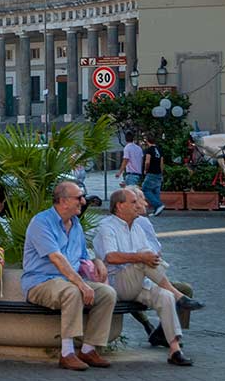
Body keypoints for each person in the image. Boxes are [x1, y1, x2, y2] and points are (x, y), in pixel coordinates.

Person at [94, 189, 201, 367]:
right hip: (115, 283)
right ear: (119, 206)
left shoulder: (137, 227)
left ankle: (175, 350)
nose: (139, 206)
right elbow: (111, 257)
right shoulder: (107, 226)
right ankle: (179, 295)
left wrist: (149, 258)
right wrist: (142, 258)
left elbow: (150, 254)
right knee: (142, 258)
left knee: (165, 296)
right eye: (134, 202)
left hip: (138, 282)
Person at [21, 180, 117, 371]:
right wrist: (82, 284)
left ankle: (88, 349)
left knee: (107, 294)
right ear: (64, 201)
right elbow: (57, 258)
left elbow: (82, 256)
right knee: (72, 292)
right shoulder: (41, 222)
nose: (83, 201)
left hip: (68, 281)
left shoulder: (76, 225)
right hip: (41, 282)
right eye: (79, 197)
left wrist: (97, 262)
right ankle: (67, 353)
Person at [142, 134, 165, 216]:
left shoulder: (149, 150)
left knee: (145, 189)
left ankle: (158, 205)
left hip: (151, 173)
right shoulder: (159, 149)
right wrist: (161, 173)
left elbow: (147, 161)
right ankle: (157, 211)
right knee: (156, 191)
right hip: (158, 173)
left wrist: (145, 169)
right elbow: (161, 163)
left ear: (147, 141)